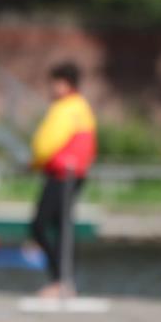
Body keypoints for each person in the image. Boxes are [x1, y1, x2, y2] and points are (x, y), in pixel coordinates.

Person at [29, 62, 97, 298]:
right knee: (60, 228)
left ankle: (61, 281)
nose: (52, 88)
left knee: (43, 226)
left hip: (64, 175)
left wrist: (35, 161)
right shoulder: (77, 106)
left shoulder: (68, 108)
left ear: (66, 84)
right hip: (64, 174)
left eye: (56, 83)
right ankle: (63, 281)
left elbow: (48, 142)